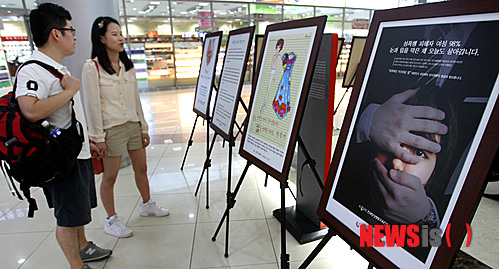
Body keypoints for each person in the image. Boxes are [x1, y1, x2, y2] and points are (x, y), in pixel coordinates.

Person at [15, 3, 111, 269]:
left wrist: (89, 141)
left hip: (74, 152)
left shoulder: (57, 67)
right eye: (71, 30)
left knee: (78, 210)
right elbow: (29, 109)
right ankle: (76, 265)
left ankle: (83, 247)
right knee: (67, 217)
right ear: (56, 33)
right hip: (59, 159)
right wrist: (69, 92)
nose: (75, 36)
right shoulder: (32, 69)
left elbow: (68, 114)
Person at [81, 16, 169, 239]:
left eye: (121, 34)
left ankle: (147, 204)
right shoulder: (92, 67)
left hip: (132, 124)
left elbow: (136, 100)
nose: (121, 38)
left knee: (142, 169)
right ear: (101, 38)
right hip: (111, 129)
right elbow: (91, 105)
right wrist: (96, 137)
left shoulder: (127, 66)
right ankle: (111, 219)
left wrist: (143, 126)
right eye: (114, 34)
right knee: (110, 177)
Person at [261, 38, 283, 114]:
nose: (277, 49)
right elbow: (272, 66)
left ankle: (265, 105)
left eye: (279, 47)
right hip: (271, 72)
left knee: (269, 90)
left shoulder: (279, 57)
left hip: (273, 73)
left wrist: (275, 76)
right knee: (267, 89)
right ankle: (264, 105)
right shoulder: (274, 56)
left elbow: (277, 67)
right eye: (277, 47)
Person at [273, 52, 296, 119]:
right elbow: (286, 68)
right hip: (286, 76)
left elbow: (289, 68)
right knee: (283, 89)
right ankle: (280, 105)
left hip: (287, 76)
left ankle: (285, 106)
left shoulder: (292, 60)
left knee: (286, 90)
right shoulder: (287, 61)